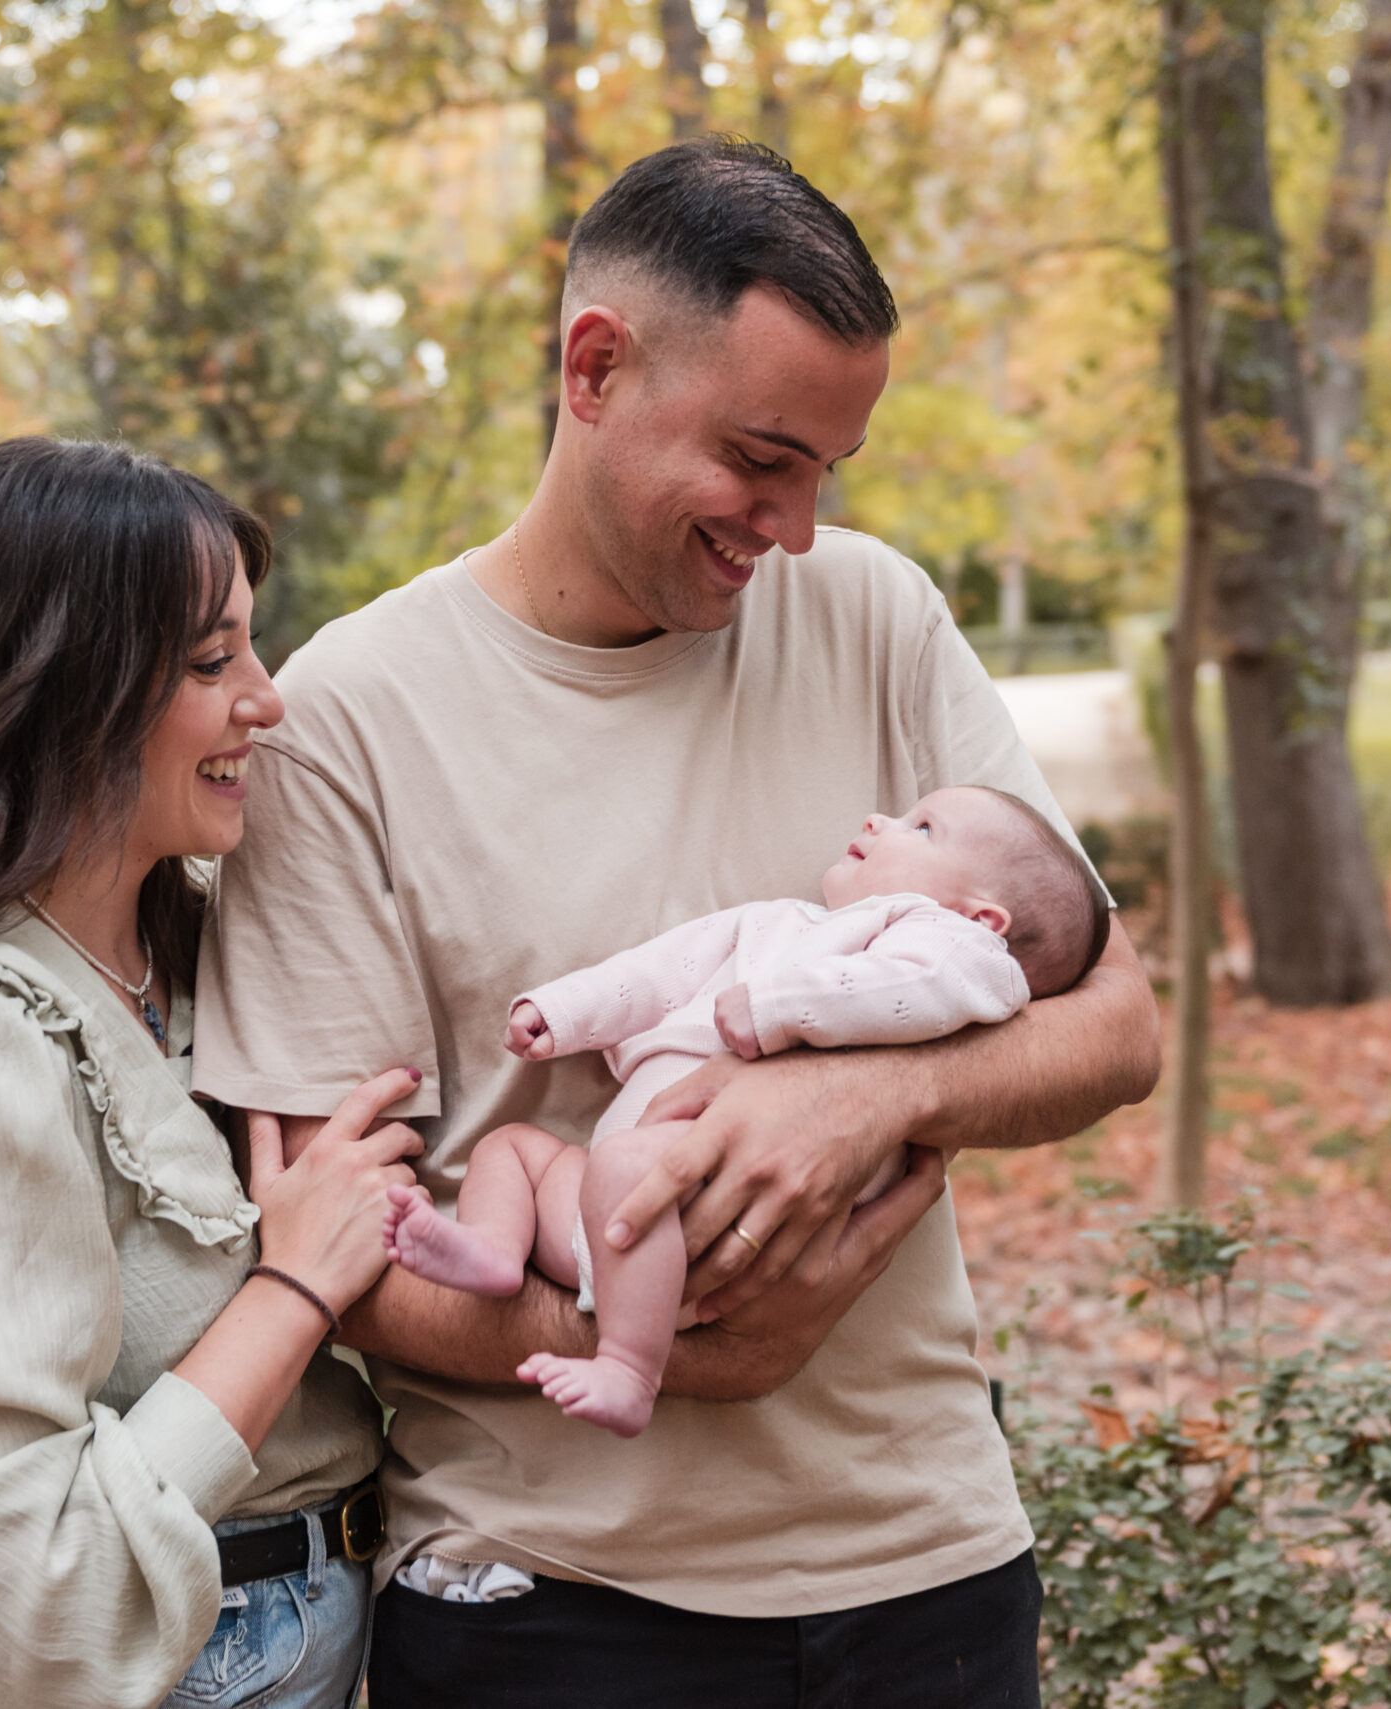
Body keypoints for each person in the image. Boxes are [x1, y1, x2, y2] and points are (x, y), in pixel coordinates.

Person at [194, 138, 1161, 1707]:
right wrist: (703, 1349)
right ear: (596, 368)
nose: (790, 526)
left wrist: (872, 1089)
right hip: (544, 1605)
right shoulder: (349, 720)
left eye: (824, 475)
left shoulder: (878, 615)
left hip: (932, 1572)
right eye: (760, 459)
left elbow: (1118, 1017)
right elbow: (332, 1248)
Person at [0, 438, 421, 1709]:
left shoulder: (202, 946)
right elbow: (37, 1599)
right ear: (66, 693)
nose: (266, 698)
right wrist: (294, 1282)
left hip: (302, 1637)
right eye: (211, 661)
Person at [381, 785, 1109, 1439]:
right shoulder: (777, 923)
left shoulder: (947, 944)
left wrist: (779, 1009)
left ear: (982, 915)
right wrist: (566, 1012)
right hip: (614, 1212)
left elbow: (911, 990)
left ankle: (630, 1368)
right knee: (513, 1148)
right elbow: (662, 971)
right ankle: (491, 1251)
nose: (880, 819)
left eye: (921, 828)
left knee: (630, 1162)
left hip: (721, 1212)